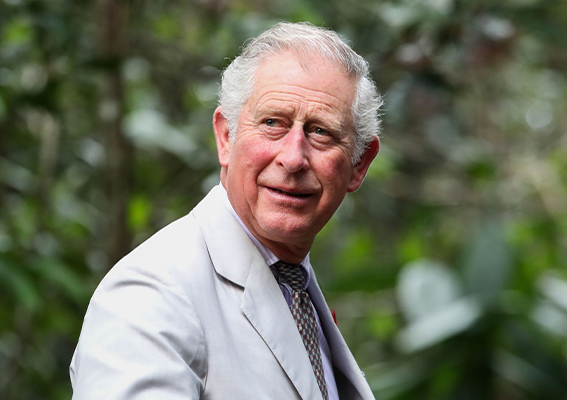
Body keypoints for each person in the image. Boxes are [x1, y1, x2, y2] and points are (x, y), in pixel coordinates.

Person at [70, 21, 382, 400]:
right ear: (225, 137)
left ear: (359, 164)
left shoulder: (295, 288)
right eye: (272, 123)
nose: (293, 157)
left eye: (320, 132)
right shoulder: (153, 293)